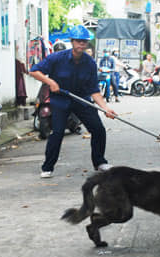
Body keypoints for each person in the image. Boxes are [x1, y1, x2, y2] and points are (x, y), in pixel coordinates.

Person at [29, 25, 117, 178]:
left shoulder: (89, 63)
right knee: (57, 132)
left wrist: (106, 108)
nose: (81, 44)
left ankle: (100, 162)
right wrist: (50, 81)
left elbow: (94, 90)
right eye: (78, 41)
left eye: (84, 42)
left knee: (98, 129)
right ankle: (47, 167)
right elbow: (34, 71)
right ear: (72, 41)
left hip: (82, 99)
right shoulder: (57, 58)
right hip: (60, 100)